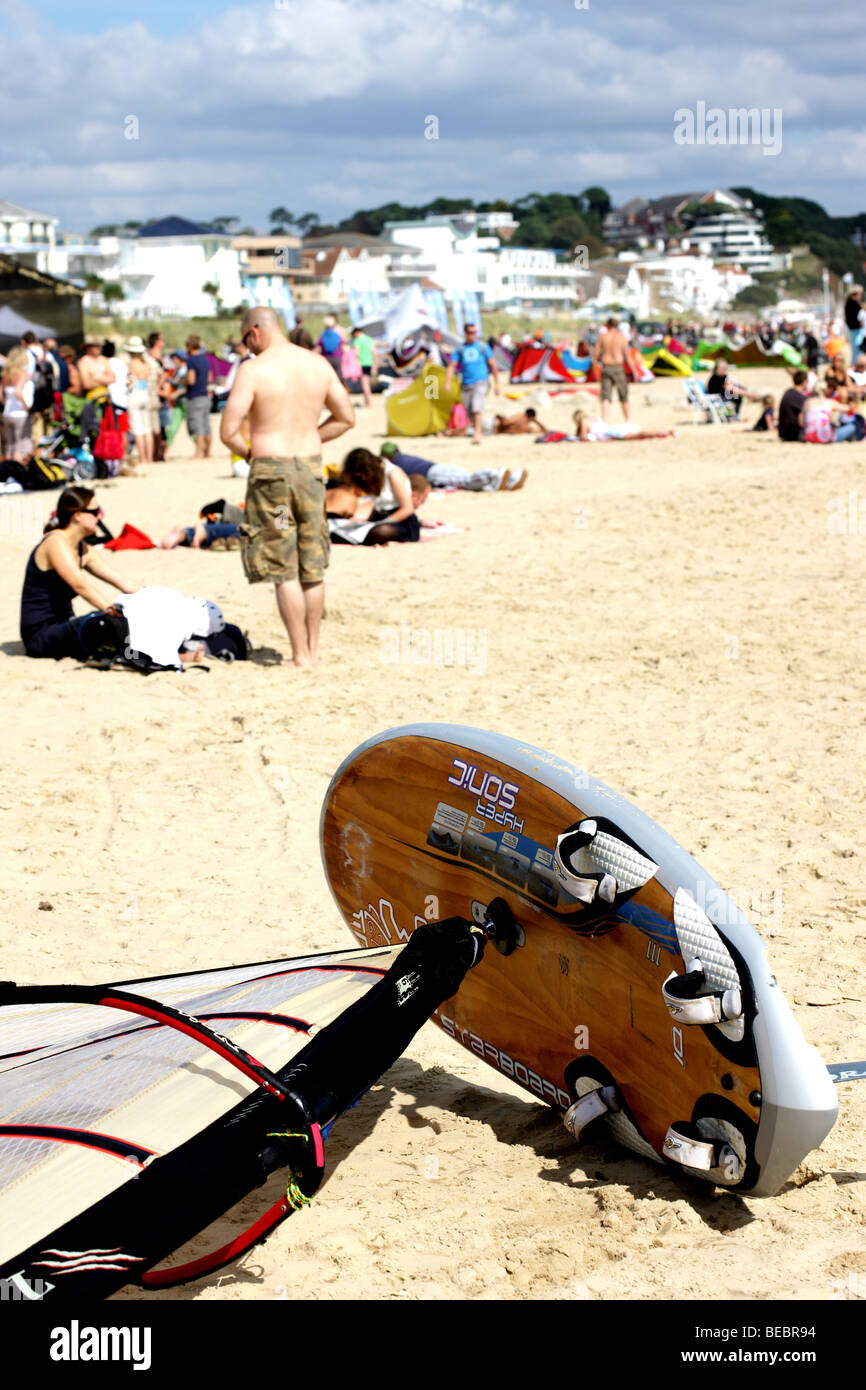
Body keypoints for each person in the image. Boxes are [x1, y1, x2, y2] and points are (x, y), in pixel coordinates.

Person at [220, 305, 355, 667]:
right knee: (313, 563)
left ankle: (298, 654)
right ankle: (314, 649)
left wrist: (251, 453)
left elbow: (227, 431)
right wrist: (313, 436)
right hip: (310, 472)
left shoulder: (253, 370)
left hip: (272, 479)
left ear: (254, 332)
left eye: (244, 340)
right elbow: (346, 418)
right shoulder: (317, 364)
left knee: (284, 563)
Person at [19, 486, 136, 659]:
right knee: (105, 623)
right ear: (77, 515)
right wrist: (112, 612)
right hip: (40, 635)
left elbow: (121, 581)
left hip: (64, 626)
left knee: (127, 619)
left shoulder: (82, 548)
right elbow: (81, 586)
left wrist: (154, 598)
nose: (100, 517)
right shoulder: (55, 542)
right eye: (95, 512)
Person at [379, 440, 524, 491]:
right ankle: (510, 479)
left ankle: (495, 473)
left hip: (434, 474)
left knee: (467, 480)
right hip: (440, 467)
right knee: (467, 479)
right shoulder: (405, 457)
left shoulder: (395, 466)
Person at [444, 322, 501, 445]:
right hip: (466, 383)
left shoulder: (482, 347)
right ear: (465, 333)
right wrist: (447, 382)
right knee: (469, 411)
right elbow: (451, 366)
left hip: (481, 381)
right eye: (470, 332)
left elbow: (493, 365)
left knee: (476, 408)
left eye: (475, 332)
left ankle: (478, 434)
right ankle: (479, 429)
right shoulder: (460, 349)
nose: (473, 335)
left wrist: (497, 385)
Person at [593, 318, 631, 423]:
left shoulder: (603, 336)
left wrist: (601, 357)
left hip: (606, 366)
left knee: (606, 396)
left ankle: (604, 420)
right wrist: (634, 371)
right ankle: (628, 420)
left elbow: (595, 354)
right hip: (618, 367)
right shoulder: (621, 337)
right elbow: (627, 356)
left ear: (608, 325)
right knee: (623, 396)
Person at [2, 346, 35, 460]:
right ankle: (16, 474)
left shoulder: (6, 374)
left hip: (7, 413)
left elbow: (1, 394)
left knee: (9, 446)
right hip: (20, 414)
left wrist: (6, 403)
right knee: (19, 448)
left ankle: (7, 474)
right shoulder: (23, 373)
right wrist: (27, 408)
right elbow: (18, 392)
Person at [184, 334, 213, 458]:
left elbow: (191, 380)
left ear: (190, 346)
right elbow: (210, 378)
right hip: (205, 396)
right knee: (206, 425)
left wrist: (182, 381)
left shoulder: (191, 360)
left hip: (195, 396)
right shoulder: (205, 359)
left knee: (197, 425)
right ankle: (207, 452)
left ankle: (198, 452)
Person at [571, 408, 674, 442]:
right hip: (615, 428)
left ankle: (666, 432)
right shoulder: (592, 418)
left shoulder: (584, 422)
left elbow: (583, 438)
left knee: (640, 434)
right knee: (641, 432)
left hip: (612, 432)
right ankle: (665, 431)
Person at [127, 337, 154, 465]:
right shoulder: (146, 363)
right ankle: (150, 458)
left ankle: (143, 457)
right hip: (145, 393)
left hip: (136, 394)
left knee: (137, 428)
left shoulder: (134, 362)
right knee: (147, 429)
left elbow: (131, 382)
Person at [350, 326, 377, 408]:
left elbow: (356, 352)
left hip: (361, 363)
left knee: (364, 384)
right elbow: (374, 352)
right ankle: (367, 401)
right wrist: (374, 364)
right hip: (369, 363)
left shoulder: (358, 340)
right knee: (367, 383)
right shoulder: (370, 339)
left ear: (356, 333)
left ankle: (368, 402)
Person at [778, 370, 808, 442]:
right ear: (804, 382)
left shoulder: (788, 392)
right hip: (793, 433)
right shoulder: (798, 396)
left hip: (783, 432)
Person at [317, 315, 344, 381]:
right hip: (337, 357)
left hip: (326, 357)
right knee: (338, 375)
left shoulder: (322, 335)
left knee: (328, 375)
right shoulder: (337, 335)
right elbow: (342, 345)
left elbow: (319, 348)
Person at [844, 286, 865, 360]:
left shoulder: (850, 303)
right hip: (855, 330)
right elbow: (859, 320)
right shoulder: (852, 304)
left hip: (855, 330)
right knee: (857, 350)